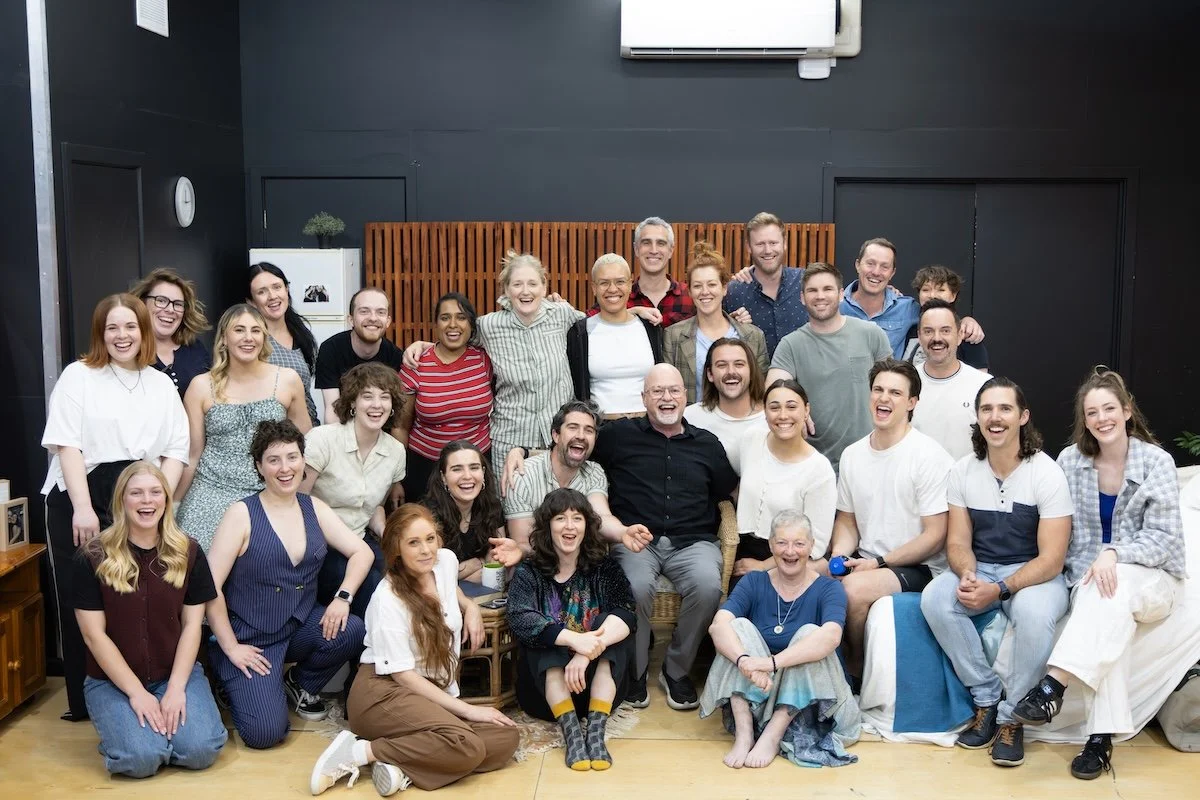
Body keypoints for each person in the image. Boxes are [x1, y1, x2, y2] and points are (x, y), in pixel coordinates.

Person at [1012, 368, 1188, 780]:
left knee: (1114, 583)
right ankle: (1099, 740)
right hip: (1092, 582)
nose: (1102, 418)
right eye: (1092, 412)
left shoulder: (1156, 461)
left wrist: (1114, 553)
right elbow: (1055, 524)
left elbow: (1164, 540)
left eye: (1110, 408)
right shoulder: (1071, 461)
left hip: (1153, 580)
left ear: (1127, 411)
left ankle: (1052, 684)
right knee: (1106, 600)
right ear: (1084, 418)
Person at [41, 293, 190, 722]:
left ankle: (140, 688)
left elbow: (176, 449)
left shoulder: (160, 383)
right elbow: (67, 444)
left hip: (142, 494)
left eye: (130, 327)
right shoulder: (79, 376)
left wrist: (164, 504)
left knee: (140, 593)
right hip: (82, 492)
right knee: (82, 597)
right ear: (100, 333)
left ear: (144, 331)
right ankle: (84, 702)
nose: (121, 336)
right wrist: (83, 508)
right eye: (112, 328)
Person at [310, 503, 518, 795]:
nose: (425, 550)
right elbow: (404, 677)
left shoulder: (444, 562)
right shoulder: (387, 598)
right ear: (396, 550)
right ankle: (361, 752)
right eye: (414, 543)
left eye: (430, 539)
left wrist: (469, 605)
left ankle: (401, 768)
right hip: (382, 693)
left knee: (505, 737)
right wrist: (470, 711)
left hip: (426, 691)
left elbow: (449, 589)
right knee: (467, 744)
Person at [920, 377, 1073, 768]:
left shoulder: (1047, 473)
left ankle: (1012, 720)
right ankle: (986, 697)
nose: (995, 417)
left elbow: (1053, 559)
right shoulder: (963, 471)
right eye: (987, 409)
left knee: (1037, 616)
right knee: (936, 597)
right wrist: (968, 574)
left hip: (1034, 572)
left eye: (1005, 408)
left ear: (1023, 417)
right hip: (983, 566)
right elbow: (957, 542)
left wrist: (1000, 589)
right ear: (978, 417)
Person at [205, 420, 371, 749]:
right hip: (248, 638)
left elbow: (361, 552)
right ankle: (232, 686)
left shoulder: (314, 507)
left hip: (296, 628)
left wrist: (343, 597)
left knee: (351, 628)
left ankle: (298, 683)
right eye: (274, 460)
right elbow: (209, 587)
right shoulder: (241, 514)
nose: (285, 468)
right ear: (259, 467)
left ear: (302, 461)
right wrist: (230, 647)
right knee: (266, 735)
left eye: (293, 457)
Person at [591, 364, 738, 710]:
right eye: (657, 391)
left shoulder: (707, 443)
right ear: (643, 398)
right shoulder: (618, 436)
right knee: (634, 587)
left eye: (673, 390)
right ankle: (636, 670)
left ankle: (676, 669)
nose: (666, 398)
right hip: (636, 540)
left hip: (694, 541)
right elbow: (576, 449)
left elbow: (725, 492)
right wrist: (521, 452)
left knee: (707, 587)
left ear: (686, 397)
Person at [74, 462, 227, 777]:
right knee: (140, 760)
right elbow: (93, 636)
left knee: (201, 751)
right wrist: (137, 693)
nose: (147, 501)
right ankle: (142, 739)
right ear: (122, 501)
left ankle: (156, 735)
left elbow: (191, 627)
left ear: (166, 500)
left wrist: (175, 688)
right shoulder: (92, 556)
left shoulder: (189, 551)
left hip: (173, 674)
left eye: (155, 492)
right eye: (136, 493)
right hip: (112, 683)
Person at [826, 358, 954, 678]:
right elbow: (847, 521)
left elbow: (935, 534)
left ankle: (854, 675)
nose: (884, 398)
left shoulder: (929, 456)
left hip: (921, 567)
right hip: (869, 560)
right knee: (806, 581)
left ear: (912, 403)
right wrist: (840, 554)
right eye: (878, 390)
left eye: (895, 393)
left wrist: (880, 562)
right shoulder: (853, 454)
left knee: (852, 591)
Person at [700, 511, 859, 770]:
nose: (790, 551)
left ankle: (774, 734)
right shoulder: (754, 581)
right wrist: (745, 662)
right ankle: (744, 733)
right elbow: (718, 625)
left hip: (818, 704)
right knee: (736, 626)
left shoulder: (830, 588)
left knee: (811, 634)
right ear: (771, 545)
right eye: (782, 542)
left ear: (812, 547)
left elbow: (831, 637)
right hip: (760, 691)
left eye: (799, 543)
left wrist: (770, 663)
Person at [506, 489, 637, 770]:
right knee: (544, 633)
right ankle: (573, 734)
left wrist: (586, 652)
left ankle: (596, 733)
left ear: (587, 527)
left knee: (611, 625)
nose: (569, 526)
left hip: (597, 691)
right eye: (560, 518)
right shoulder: (529, 572)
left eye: (577, 518)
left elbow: (627, 613)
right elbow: (519, 618)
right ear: (547, 526)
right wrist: (574, 640)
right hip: (544, 697)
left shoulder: (605, 569)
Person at [176, 304, 311, 552]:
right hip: (210, 490)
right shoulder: (200, 386)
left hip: (267, 490)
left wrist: (297, 499)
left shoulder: (287, 380)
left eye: (256, 331)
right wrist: (173, 504)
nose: (248, 338)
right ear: (224, 339)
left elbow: (304, 443)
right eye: (239, 330)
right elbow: (193, 455)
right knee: (195, 560)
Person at [301, 363, 407, 620]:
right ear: (352, 403)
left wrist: (388, 535)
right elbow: (297, 501)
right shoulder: (322, 439)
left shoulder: (395, 451)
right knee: (371, 588)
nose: (376, 405)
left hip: (361, 539)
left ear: (393, 406)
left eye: (385, 397)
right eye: (367, 396)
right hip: (318, 542)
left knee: (403, 579)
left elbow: (373, 507)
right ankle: (367, 657)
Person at [766, 262, 892, 473]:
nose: (820, 296)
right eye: (812, 290)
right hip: (817, 464)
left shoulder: (871, 334)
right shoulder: (791, 344)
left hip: (872, 461)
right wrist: (797, 412)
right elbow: (774, 389)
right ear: (802, 298)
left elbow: (892, 385)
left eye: (827, 289)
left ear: (841, 294)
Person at [497, 400, 651, 565]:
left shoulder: (594, 472)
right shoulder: (523, 476)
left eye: (589, 430)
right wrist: (519, 551)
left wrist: (623, 532)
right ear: (556, 435)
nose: (581, 436)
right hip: (537, 567)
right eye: (573, 427)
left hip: (580, 567)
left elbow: (602, 517)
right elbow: (524, 543)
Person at [723, 380, 837, 588]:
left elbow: (817, 545)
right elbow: (728, 478)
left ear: (806, 411)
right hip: (740, 547)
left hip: (787, 558)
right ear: (765, 412)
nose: (783, 415)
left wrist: (763, 566)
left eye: (792, 407)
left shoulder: (819, 470)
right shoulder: (751, 439)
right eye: (774, 407)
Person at [396, 292, 493, 503]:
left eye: (461, 317)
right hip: (426, 468)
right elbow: (400, 427)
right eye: (445, 317)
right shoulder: (416, 363)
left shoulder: (484, 360)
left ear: (470, 324)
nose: (453, 324)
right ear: (436, 324)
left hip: (476, 467)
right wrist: (396, 479)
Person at [840, 238, 983, 359]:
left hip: (886, 390)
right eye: (870, 264)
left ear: (892, 273)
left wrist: (966, 321)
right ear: (858, 265)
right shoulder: (836, 307)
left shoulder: (908, 308)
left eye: (884, 266)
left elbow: (940, 317)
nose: (876, 272)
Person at [663, 241, 769, 404]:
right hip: (692, 426)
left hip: (740, 425)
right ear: (690, 291)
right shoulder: (673, 336)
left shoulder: (753, 336)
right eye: (697, 286)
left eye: (712, 284)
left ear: (724, 288)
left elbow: (760, 392)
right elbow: (668, 390)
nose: (705, 292)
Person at [567, 253, 664, 416]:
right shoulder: (580, 333)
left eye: (620, 282)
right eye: (604, 283)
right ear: (594, 288)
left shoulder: (649, 327)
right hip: (601, 430)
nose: (612, 289)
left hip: (648, 427)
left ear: (630, 284)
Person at [910, 299, 991, 460]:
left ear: (960, 335)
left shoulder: (984, 386)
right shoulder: (905, 383)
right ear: (919, 337)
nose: (937, 338)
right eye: (928, 331)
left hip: (967, 483)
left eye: (945, 331)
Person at [421, 441, 507, 586]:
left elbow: (498, 558)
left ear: (483, 473)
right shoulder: (427, 515)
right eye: (457, 469)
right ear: (443, 477)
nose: (467, 476)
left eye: (474, 468)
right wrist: (478, 563)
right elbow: (429, 574)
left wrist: (458, 574)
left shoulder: (492, 507)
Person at [724, 212, 809, 356]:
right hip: (755, 377)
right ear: (749, 247)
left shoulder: (806, 282)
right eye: (760, 244)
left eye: (773, 243)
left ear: (784, 244)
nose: (768, 250)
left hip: (803, 377)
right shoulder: (733, 293)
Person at [315, 287, 405, 421]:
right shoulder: (331, 349)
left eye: (380, 312)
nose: (373, 318)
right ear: (350, 319)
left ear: (388, 321)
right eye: (364, 311)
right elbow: (332, 409)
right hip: (343, 430)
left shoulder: (395, 356)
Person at [248, 262, 320, 426]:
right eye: (262, 292)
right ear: (251, 302)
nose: (272, 296)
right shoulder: (251, 341)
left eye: (277, 287)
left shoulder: (301, 334)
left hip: (307, 428)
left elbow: (306, 394)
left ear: (286, 289)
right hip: (269, 434)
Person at [586, 216, 689, 326]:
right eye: (646, 242)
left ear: (671, 250)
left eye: (661, 243)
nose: (653, 250)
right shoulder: (618, 295)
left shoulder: (689, 296)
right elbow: (589, 323)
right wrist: (629, 314)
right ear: (636, 249)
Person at [129, 267, 211, 398]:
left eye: (178, 304)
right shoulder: (129, 351)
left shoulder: (196, 349)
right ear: (142, 303)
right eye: (161, 301)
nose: (170, 309)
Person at [683, 337, 768, 453]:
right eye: (722, 365)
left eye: (739, 364)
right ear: (710, 374)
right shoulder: (689, 418)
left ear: (751, 371)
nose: (731, 372)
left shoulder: (771, 417)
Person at [901, 265, 990, 370]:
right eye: (926, 290)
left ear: (953, 295)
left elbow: (981, 379)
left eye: (941, 290)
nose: (932, 295)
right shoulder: (908, 327)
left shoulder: (967, 332)